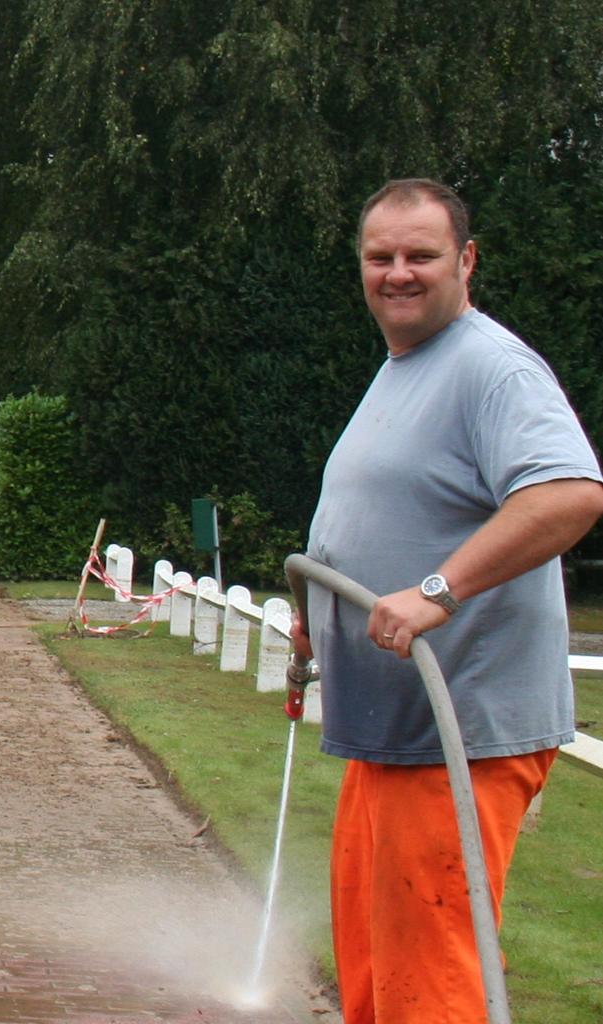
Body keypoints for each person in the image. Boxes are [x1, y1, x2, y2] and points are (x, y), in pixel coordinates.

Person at [291, 178, 603, 1024]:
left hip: (455, 730)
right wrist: (312, 615)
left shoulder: (490, 368)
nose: (398, 273)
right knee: (376, 965)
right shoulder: (405, 367)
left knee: (428, 980)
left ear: (464, 261)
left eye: (419, 255)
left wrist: (439, 591)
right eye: (379, 257)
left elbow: (569, 493)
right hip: (391, 734)